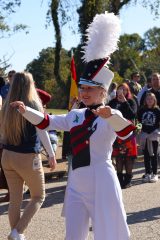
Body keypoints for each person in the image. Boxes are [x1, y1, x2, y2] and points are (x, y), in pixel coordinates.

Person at [10, 12, 135, 240]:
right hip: (76, 181)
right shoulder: (76, 115)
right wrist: (25, 110)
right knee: (73, 235)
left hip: (102, 181)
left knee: (108, 233)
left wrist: (110, 116)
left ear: (102, 91)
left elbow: (127, 133)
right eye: (82, 88)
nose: (83, 92)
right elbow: (48, 122)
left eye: (89, 89)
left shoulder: (111, 113)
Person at [1, 72, 56, 240]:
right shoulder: (33, 103)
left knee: (15, 200)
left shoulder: (5, 106)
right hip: (27, 156)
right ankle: (18, 231)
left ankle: (16, 234)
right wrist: (51, 155)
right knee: (39, 196)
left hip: (7, 156)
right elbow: (43, 130)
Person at [109, 83, 137, 188]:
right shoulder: (112, 102)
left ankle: (128, 179)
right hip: (116, 133)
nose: (122, 91)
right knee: (119, 156)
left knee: (129, 157)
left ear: (127, 91)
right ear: (117, 91)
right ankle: (119, 179)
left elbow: (132, 114)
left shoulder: (131, 101)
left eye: (124, 90)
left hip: (129, 133)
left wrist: (124, 102)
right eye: (120, 89)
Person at [138, 92, 160, 183]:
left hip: (154, 135)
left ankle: (154, 174)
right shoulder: (142, 110)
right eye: (148, 99)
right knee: (146, 155)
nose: (149, 100)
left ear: (154, 100)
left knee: (154, 155)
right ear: (145, 100)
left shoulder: (157, 110)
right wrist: (138, 127)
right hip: (144, 135)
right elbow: (139, 121)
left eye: (151, 99)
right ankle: (147, 173)